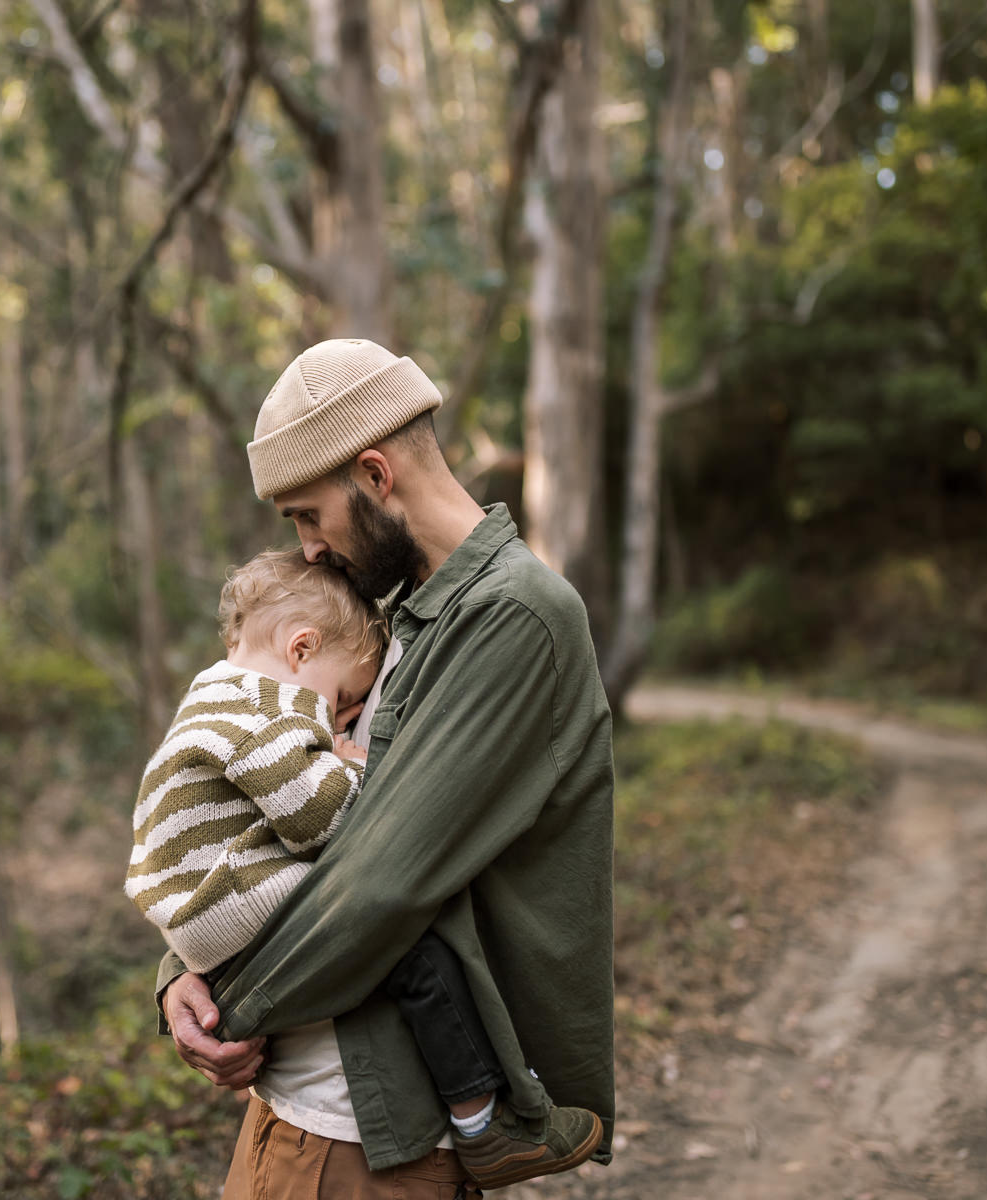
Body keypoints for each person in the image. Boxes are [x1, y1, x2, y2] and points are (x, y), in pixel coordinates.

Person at [156, 338, 616, 1197]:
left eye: (306, 516)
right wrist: (180, 978)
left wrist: (228, 1005)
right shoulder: (391, 619)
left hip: (370, 1146)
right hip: (290, 1115)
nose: (311, 551)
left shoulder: (516, 619)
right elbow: (254, 797)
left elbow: (379, 886)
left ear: (373, 476)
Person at [125, 547, 604, 1188]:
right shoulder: (258, 713)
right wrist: (350, 763)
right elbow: (326, 820)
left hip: (212, 905)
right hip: (248, 947)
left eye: (308, 513)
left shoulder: (215, 695)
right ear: (300, 649)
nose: (343, 717)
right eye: (345, 698)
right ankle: (482, 1119)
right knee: (414, 949)